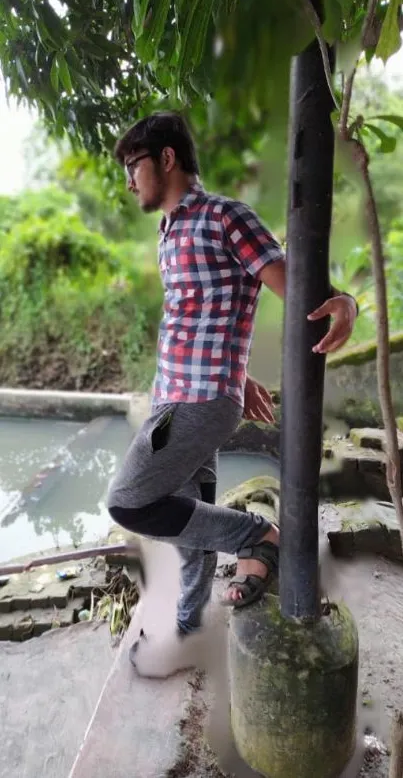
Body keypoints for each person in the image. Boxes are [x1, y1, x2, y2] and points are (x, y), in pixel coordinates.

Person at [107, 111, 358, 638]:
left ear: (167, 158)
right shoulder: (168, 232)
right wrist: (236, 375)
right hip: (187, 392)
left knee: (129, 502)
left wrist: (345, 302)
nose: (129, 181)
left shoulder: (224, 217)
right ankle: (187, 627)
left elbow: (295, 286)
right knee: (190, 518)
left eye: (134, 165)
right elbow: (210, 311)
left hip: (193, 403)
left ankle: (257, 536)